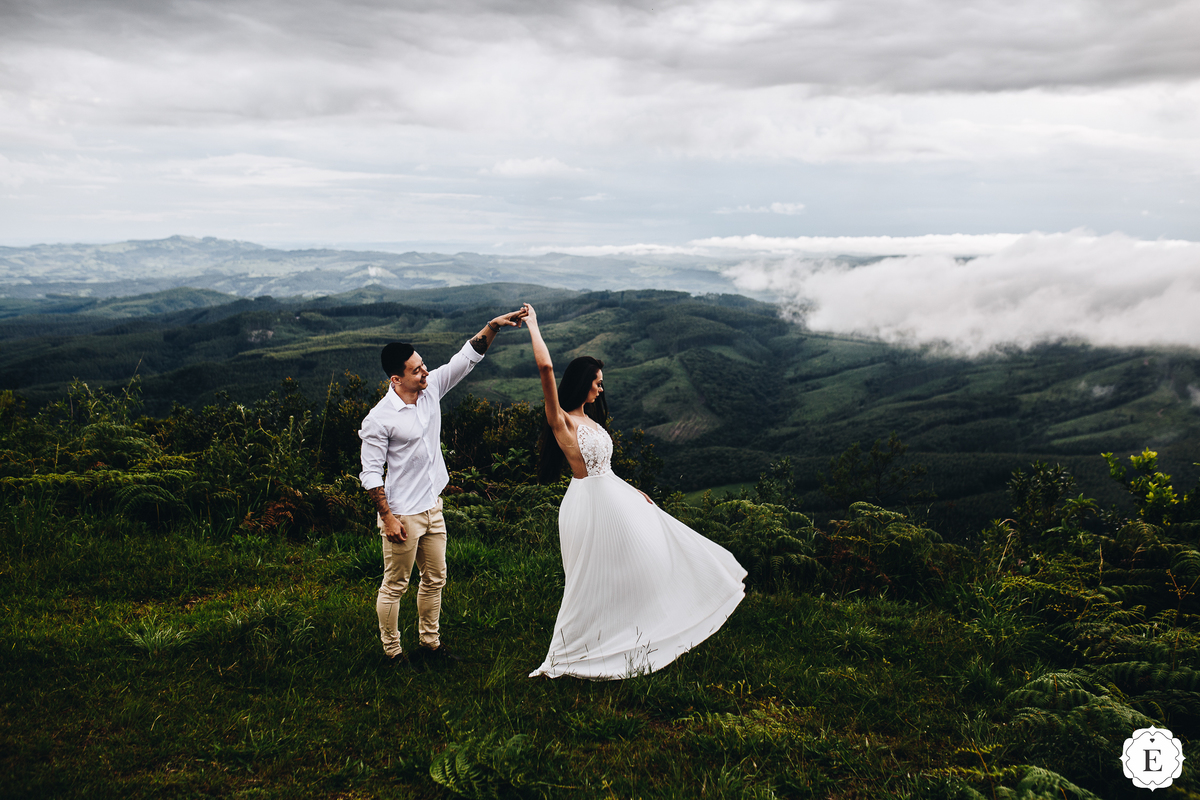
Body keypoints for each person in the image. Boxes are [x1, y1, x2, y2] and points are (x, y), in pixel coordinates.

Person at [522, 303, 746, 680]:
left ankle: (638, 628)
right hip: (588, 506)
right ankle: (575, 649)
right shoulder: (560, 420)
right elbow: (545, 368)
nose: (600, 387)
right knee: (592, 577)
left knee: (641, 562)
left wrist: (633, 490)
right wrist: (533, 324)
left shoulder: (589, 419)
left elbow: (605, 468)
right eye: (596, 381)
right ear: (582, 382)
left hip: (615, 498)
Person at [359, 307, 527, 666]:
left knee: (435, 578)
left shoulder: (431, 387)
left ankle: (430, 645)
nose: (424, 371)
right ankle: (392, 653)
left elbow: (466, 358)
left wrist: (493, 326)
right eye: (415, 369)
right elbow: (371, 474)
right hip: (402, 513)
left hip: (433, 507)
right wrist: (387, 518)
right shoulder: (379, 419)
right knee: (395, 585)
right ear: (395, 379)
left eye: (423, 365)